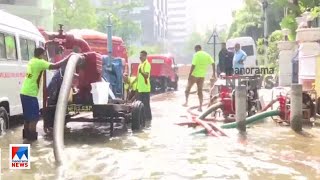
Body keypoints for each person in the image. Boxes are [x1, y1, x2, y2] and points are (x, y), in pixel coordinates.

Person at [20, 47, 73, 141]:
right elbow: (56, 66)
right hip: (30, 94)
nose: (45, 56)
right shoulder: (40, 62)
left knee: (27, 118)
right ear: (41, 55)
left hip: (24, 92)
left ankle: (25, 140)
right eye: (44, 54)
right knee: (34, 119)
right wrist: (69, 57)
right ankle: (32, 142)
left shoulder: (32, 61)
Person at [183, 45, 216, 112]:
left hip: (194, 75)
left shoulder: (196, 55)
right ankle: (200, 107)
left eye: (195, 50)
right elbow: (213, 63)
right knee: (200, 91)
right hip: (202, 76)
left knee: (187, 89)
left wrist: (190, 74)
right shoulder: (207, 55)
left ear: (196, 49)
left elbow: (193, 65)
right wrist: (213, 73)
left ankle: (186, 102)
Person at [136, 50, 152, 121]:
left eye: (141, 56)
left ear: (145, 56)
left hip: (145, 89)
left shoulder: (147, 64)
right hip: (140, 89)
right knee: (139, 106)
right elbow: (138, 78)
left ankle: (148, 120)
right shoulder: (140, 64)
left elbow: (146, 75)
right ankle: (142, 119)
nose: (140, 57)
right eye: (140, 55)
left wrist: (141, 72)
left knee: (146, 106)